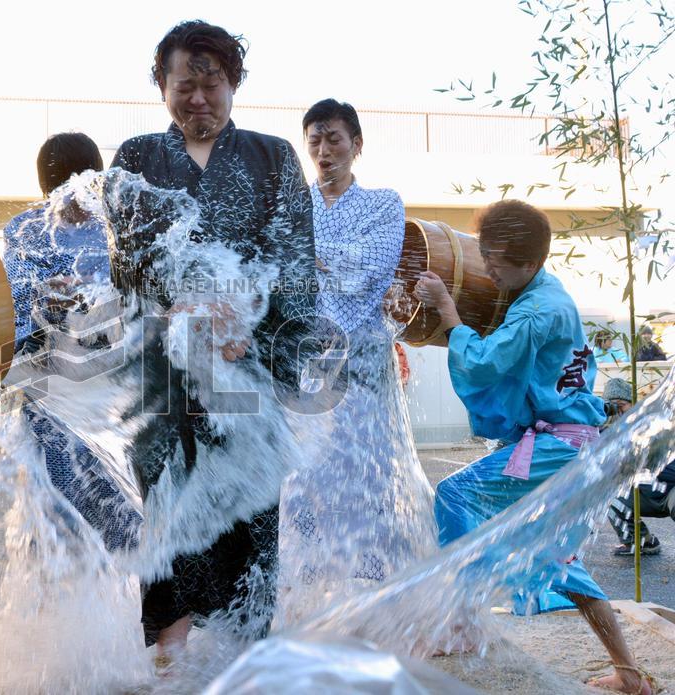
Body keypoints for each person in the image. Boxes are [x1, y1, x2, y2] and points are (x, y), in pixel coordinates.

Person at [110, 20, 318, 662]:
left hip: (245, 368)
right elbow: (128, 258)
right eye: (185, 84)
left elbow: (296, 258)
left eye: (213, 83)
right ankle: (168, 662)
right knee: (167, 504)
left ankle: (247, 661)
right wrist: (187, 303)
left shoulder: (273, 155)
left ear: (233, 85)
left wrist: (245, 315)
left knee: (249, 512)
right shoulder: (136, 157)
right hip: (164, 369)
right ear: (162, 87)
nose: (199, 97)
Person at [416, 200, 653, 695]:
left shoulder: (537, 311)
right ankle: (630, 676)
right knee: (561, 561)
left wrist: (447, 309)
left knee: (456, 495)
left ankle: (462, 621)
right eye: (485, 255)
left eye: (497, 260)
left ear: (530, 262)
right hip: (574, 445)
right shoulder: (545, 292)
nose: (488, 267)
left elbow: (483, 365)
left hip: (559, 448)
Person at [278, 99, 435, 620]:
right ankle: (313, 589)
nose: (324, 151)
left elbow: (372, 273)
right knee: (306, 475)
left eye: (335, 139)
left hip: (363, 360)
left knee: (372, 468)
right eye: (315, 141)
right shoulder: (292, 206)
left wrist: (319, 265)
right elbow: (284, 277)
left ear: (357, 145)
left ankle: (381, 595)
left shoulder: (385, 203)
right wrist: (325, 267)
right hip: (304, 358)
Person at [2, 132, 140, 553]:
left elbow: (139, 294)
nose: (71, 203)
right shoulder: (24, 229)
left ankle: (129, 560)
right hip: (49, 374)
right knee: (57, 481)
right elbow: (12, 294)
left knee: (118, 475)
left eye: (79, 189)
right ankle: (69, 578)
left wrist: (94, 295)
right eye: (59, 192)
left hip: (111, 377)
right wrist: (44, 292)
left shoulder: (120, 227)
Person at [601, 378, 673, 556]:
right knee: (608, 496)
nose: (618, 412)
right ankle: (641, 542)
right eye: (612, 407)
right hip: (643, 495)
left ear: (633, 403)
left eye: (621, 405)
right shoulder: (612, 432)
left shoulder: (655, 425)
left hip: (670, 491)